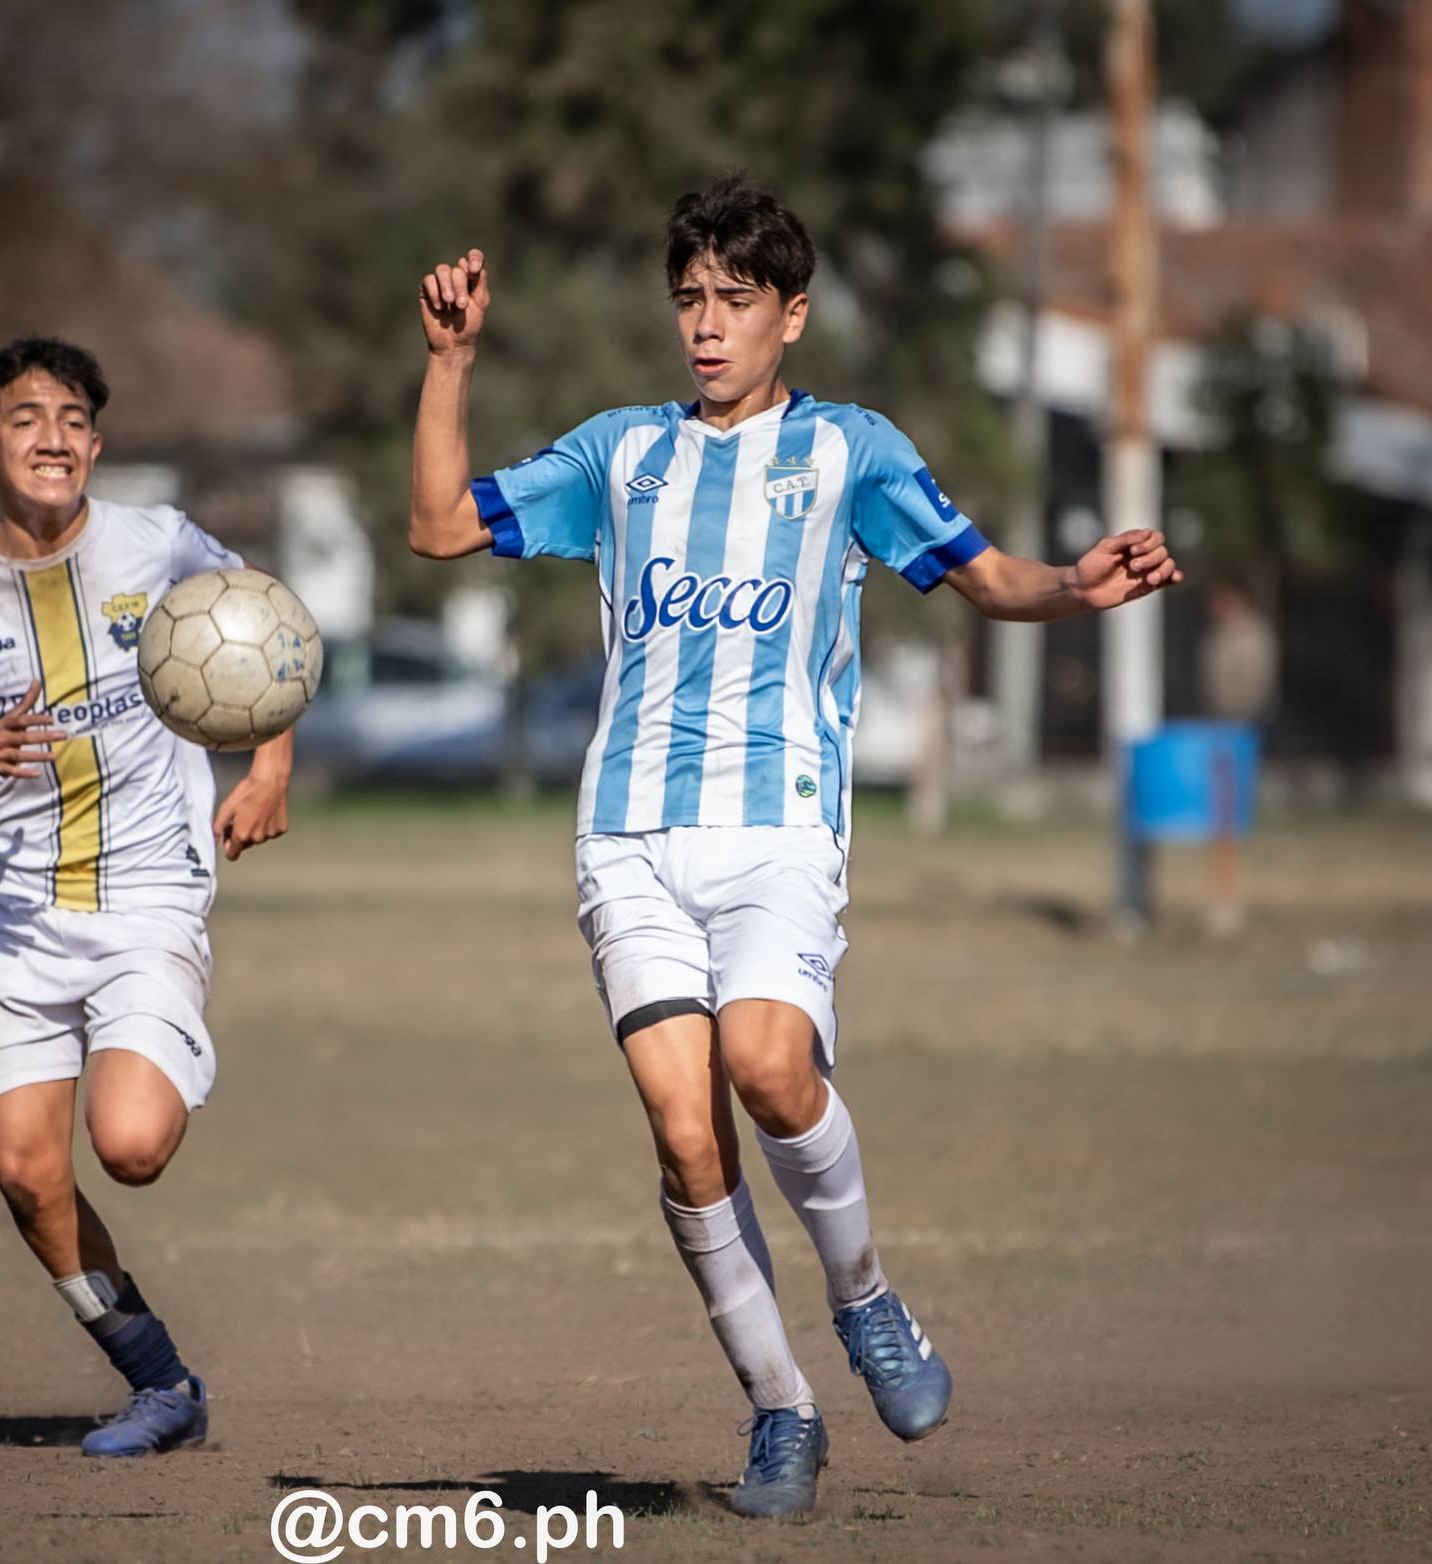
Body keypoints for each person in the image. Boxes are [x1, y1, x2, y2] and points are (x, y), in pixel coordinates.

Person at [408, 177, 1182, 1517]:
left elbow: (975, 569)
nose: (707, 326)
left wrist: (1071, 585)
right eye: (691, 300)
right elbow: (438, 528)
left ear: (793, 316)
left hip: (779, 830)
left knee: (769, 1069)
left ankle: (868, 1301)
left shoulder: (852, 454)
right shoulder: (618, 455)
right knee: (681, 1132)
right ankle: (780, 1411)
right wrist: (450, 362)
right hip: (629, 836)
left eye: (737, 300)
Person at [0, 336, 294, 1459]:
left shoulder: (157, 541)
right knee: (26, 1174)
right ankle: (160, 1382)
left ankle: (161, 1043)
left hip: (147, 900)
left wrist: (267, 768)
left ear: (97, 442)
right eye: (27, 419)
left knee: (127, 1145)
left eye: (74, 419)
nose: (54, 438)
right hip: (15, 916)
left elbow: (266, 629)